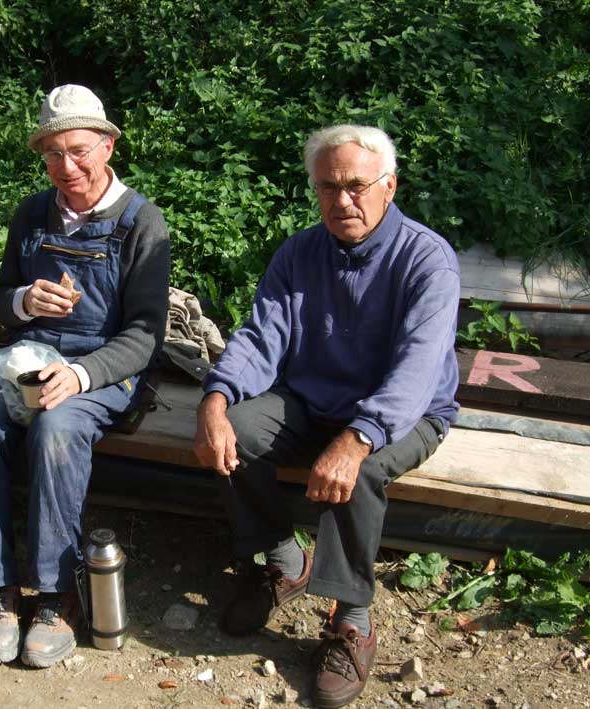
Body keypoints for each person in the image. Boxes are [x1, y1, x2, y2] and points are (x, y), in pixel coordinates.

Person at [194, 125, 460, 708]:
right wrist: (216, 398)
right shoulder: (299, 253)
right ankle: (283, 559)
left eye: (356, 186)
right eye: (328, 187)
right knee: (236, 431)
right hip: (313, 401)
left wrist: (360, 437)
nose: (342, 200)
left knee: (360, 469)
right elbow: (260, 338)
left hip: (406, 413)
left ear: (389, 186)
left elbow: (417, 370)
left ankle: (352, 617)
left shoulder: (427, 259)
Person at [0, 84, 170, 668]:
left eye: (78, 151)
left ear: (107, 146)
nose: (66, 167)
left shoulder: (141, 221)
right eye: (52, 154)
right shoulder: (32, 213)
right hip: (28, 358)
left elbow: (146, 334)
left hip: (104, 369)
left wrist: (79, 374)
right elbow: (0, 296)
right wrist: (24, 300)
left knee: (56, 429)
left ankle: (57, 594)